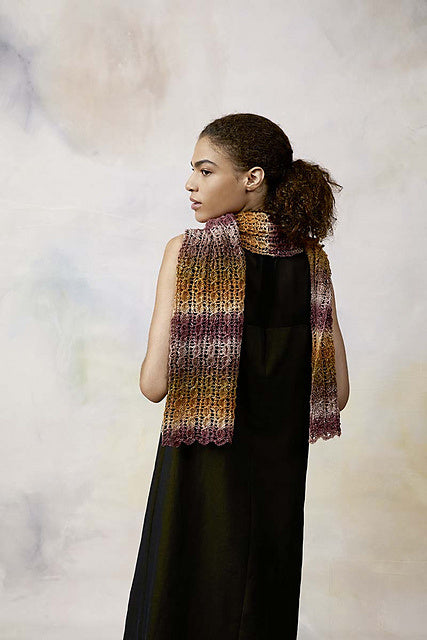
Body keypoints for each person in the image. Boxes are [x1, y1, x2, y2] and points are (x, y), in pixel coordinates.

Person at [123, 113, 350, 639]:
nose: (191, 184)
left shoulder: (188, 252)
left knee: (180, 606)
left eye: (205, 170)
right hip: (276, 489)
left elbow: (154, 385)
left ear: (252, 178)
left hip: (197, 481)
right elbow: (336, 392)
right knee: (260, 612)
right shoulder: (313, 261)